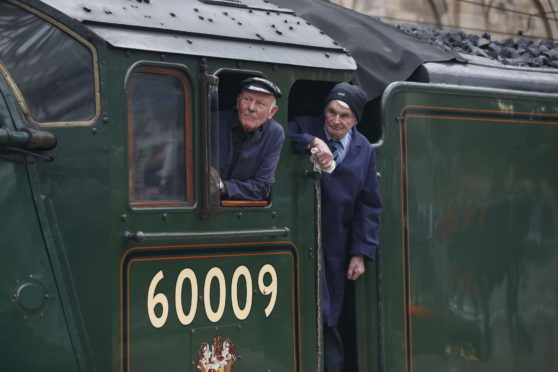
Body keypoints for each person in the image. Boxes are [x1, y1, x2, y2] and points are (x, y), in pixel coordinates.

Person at [289, 82, 382, 371]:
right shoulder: (306, 125)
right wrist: (311, 141)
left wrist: (360, 252)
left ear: (355, 120)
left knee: (329, 313)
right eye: (331, 112)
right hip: (299, 236)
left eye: (345, 116)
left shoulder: (363, 149)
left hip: (337, 244)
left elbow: (369, 204)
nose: (335, 120)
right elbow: (280, 132)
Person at [217, 77, 285, 200]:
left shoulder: (274, 133)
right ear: (238, 102)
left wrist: (224, 187)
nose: (251, 108)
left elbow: (262, 187)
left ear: (272, 112)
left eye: (260, 104)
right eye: (247, 100)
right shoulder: (213, 121)